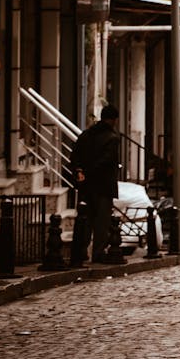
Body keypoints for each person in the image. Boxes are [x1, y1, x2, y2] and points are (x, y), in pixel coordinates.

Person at [70, 104, 121, 262]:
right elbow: (106, 161)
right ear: (113, 120)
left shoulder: (86, 135)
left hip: (86, 185)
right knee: (101, 221)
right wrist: (92, 172)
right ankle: (98, 253)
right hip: (103, 185)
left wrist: (80, 171)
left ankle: (81, 251)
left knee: (85, 219)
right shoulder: (112, 138)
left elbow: (75, 156)